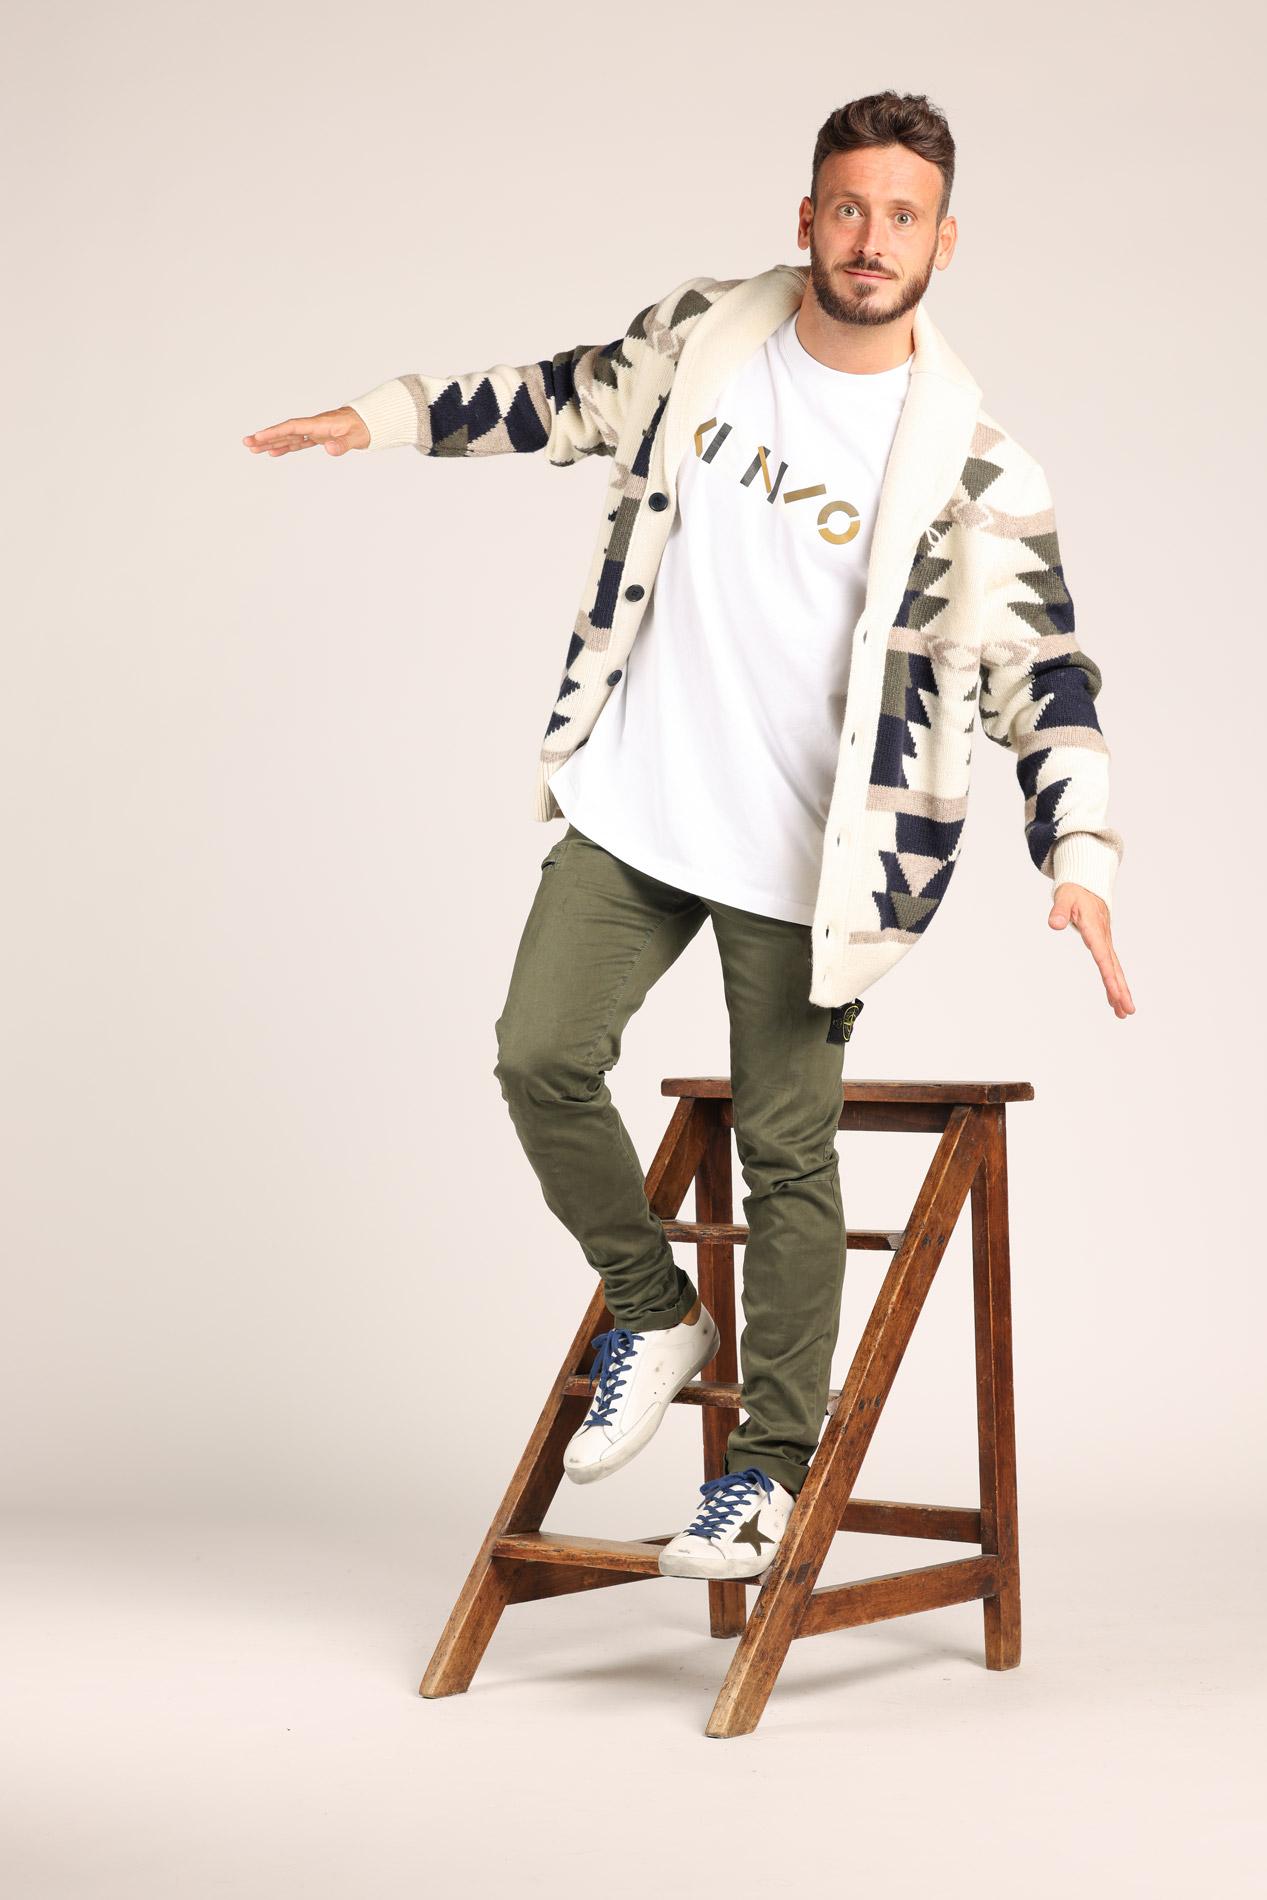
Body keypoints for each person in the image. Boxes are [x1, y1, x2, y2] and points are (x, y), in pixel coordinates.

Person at [243, 91, 1133, 1584]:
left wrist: (1080, 860)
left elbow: (1043, 676)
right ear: (808, 217)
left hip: (814, 865)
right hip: (642, 803)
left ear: (944, 242)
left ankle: (768, 1472)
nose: (870, 239)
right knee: (538, 1054)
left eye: (902, 216)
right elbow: (563, 394)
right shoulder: (709, 337)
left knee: (787, 1152)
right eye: (848, 208)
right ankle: (655, 1313)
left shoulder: (980, 473)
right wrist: (383, 418)